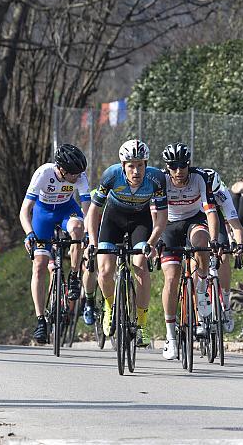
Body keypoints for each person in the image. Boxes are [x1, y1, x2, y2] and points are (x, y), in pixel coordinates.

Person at [86, 140, 168, 346]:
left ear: (146, 164)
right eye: (131, 165)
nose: (136, 170)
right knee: (104, 270)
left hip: (140, 222)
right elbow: (94, 211)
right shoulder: (111, 175)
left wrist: (152, 242)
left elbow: (162, 217)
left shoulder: (156, 178)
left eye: (140, 164)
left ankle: (142, 324)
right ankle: (109, 306)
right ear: (123, 166)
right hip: (113, 219)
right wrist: (93, 244)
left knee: (140, 266)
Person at [20, 143, 91, 343]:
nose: (78, 177)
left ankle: (75, 276)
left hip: (66, 210)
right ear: (62, 170)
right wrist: (29, 234)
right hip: (43, 214)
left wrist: (87, 232)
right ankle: (40, 320)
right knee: (39, 266)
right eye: (74, 174)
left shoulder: (80, 175)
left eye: (80, 173)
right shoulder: (43, 173)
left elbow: (87, 207)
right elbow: (25, 210)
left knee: (78, 228)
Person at [159, 143, 219, 360]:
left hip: (194, 221)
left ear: (188, 164)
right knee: (172, 277)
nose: (178, 171)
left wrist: (214, 240)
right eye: (173, 166)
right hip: (169, 225)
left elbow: (210, 212)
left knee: (201, 242)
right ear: (167, 167)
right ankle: (171, 337)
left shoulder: (199, 179)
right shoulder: (161, 180)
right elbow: (152, 213)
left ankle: (201, 291)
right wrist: (153, 240)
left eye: (182, 165)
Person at [202, 168, 243, 332]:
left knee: (224, 255)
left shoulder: (221, 192)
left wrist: (239, 245)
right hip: (195, 218)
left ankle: (226, 304)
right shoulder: (193, 187)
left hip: (217, 220)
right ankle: (197, 313)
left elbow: (235, 224)